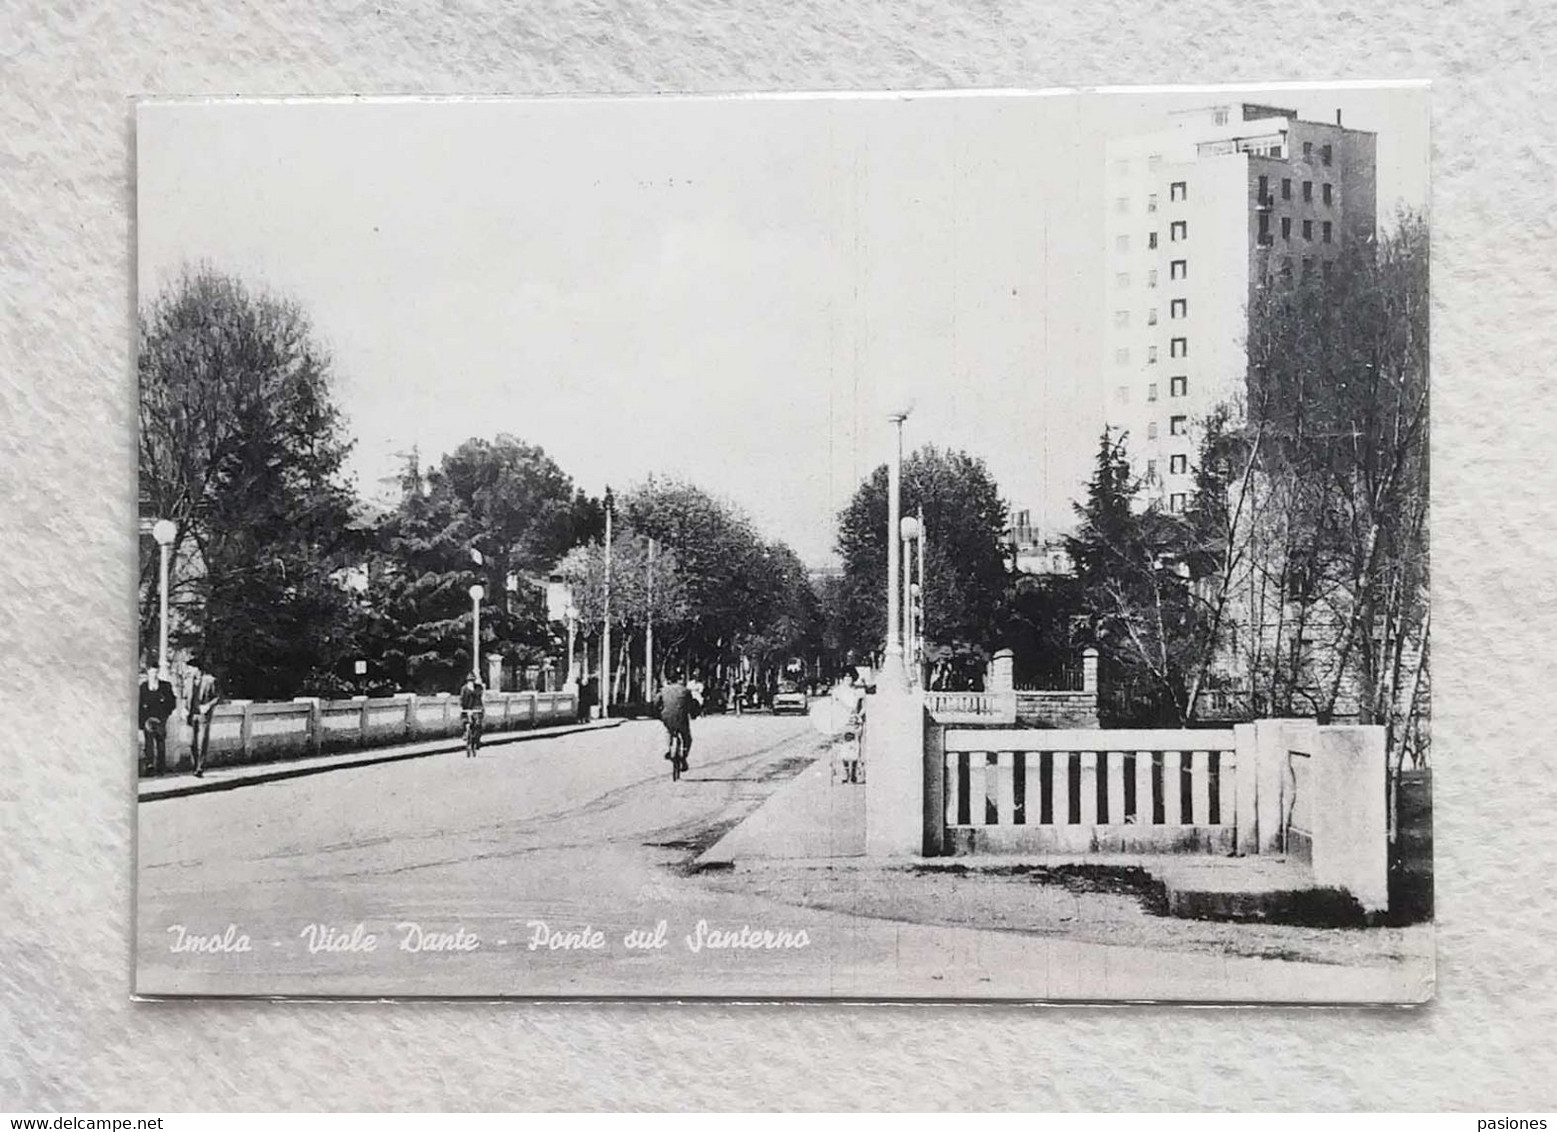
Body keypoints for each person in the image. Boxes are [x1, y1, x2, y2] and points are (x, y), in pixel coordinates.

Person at [654, 670, 697, 772]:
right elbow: (691, 705)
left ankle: (668, 749)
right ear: (679, 680)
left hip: (667, 717)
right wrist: (693, 715)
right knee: (687, 737)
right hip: (682, 718)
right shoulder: (685, 691)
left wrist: (658, 715)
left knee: (668, 731)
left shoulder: (663, 690)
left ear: (669, 680)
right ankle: (684, 756)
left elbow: (656, 703)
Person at [138, 666, 176, 776]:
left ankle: (161, 767)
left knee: (160, 742)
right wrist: (142, 721)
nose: (153, 675)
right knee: (148, 743)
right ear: (147, 673)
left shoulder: (165, 686)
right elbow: (139, 704)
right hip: (148, 718)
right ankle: (150, 766)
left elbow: (172, 702)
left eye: (155, 672)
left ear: (158, 673)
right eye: (151, 673)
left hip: (160, 719)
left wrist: (165, 715)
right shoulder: (143, 687)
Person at [185, 661, 220, 778]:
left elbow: (217, 697)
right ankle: (195, 765)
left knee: (202, 742)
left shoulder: (210, 680)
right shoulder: (188, 681)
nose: (188, 671)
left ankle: (200, 767)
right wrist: (185, 708)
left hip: (203, 716)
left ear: (197, 668)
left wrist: (208, 706)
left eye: (190, 668)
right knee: (191, 743)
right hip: (191, 715)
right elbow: (186, 696)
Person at [459, 671, 486, 755]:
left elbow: (480, 697)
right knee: (464, 721)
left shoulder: (479, 688)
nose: (471, 682)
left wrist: (481, 709)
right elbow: (461, 699)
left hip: (476, 708)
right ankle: (465, 734)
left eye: (472, 680)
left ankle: (477, 741)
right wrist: (461, 708)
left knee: (478, 724)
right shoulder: (464, 689)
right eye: (469, 680)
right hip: (467, 708)